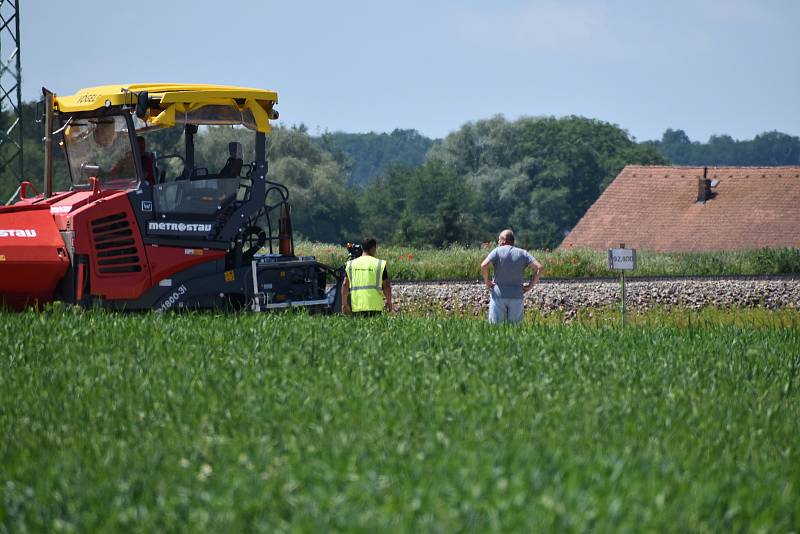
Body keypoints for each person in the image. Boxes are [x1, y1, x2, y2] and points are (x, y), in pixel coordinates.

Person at [480, 229, 542, 324]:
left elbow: (484, 265)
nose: (498, 243)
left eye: (499, 240)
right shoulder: (523, 253)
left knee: (495, 330)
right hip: (517, 295)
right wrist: (530, 286)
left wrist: (487, 282)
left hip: (498, 296)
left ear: (504, 240)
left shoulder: (497, 251)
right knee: (515, 331)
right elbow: (539, 268)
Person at [342, 236, 392, 316]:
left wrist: (344, 304)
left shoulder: (350, 264)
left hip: (357, 306)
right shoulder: (379, 264)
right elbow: (386, 286)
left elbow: (345, 284)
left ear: (362, 248)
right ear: (373, 248)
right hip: (375, 308)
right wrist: (389, 302)